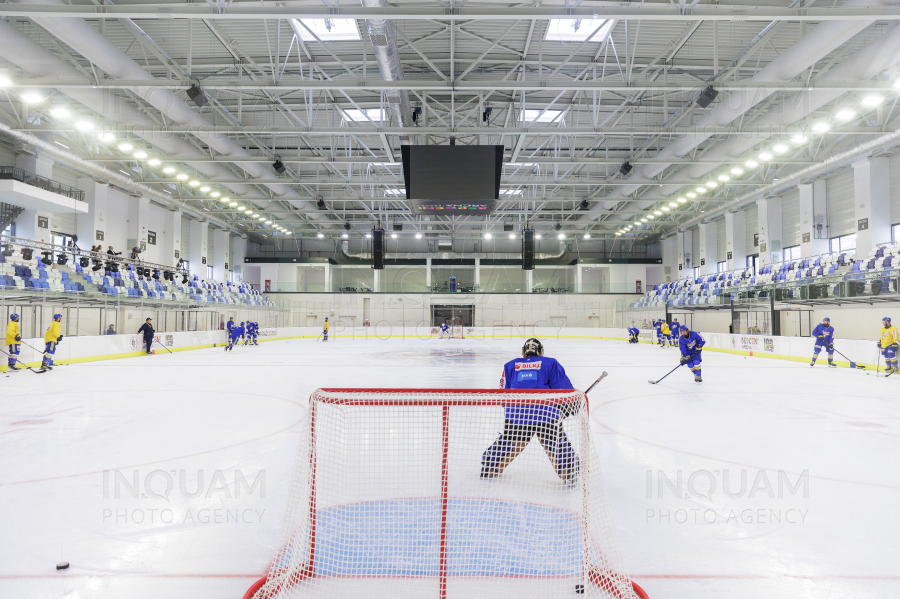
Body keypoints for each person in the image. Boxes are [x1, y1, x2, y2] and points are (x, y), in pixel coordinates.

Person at [481, 338, 579, 483]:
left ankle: (490, 465)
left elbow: (503, 394)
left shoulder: (510, 366)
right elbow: (564, 389)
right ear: (540, 351)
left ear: (523, 351)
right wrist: (570, 405)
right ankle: (568, 469)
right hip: (545, 415)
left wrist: (512, 411)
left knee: (513, 442)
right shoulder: (550, 363)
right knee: (554, 443)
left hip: (517, 415)